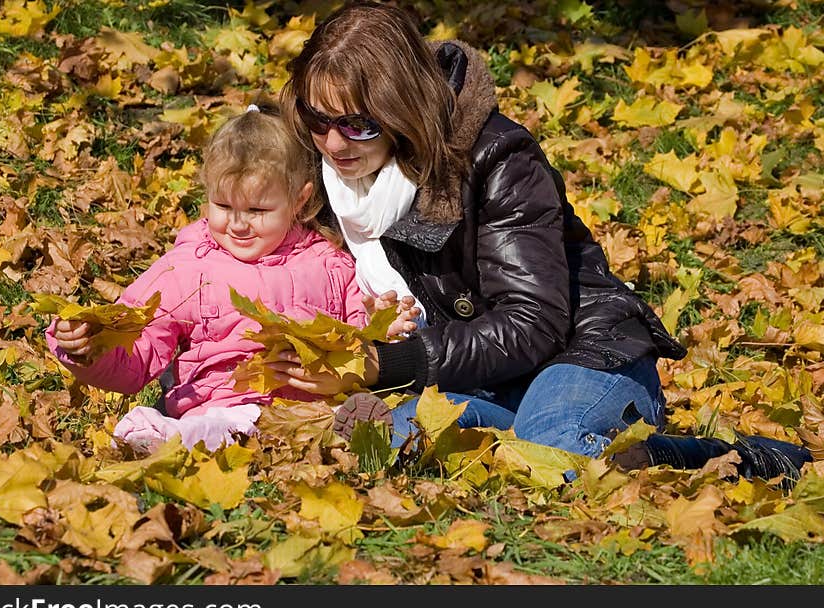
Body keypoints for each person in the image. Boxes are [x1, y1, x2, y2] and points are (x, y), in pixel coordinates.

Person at [268, 1, 812, 486]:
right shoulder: (324, 169)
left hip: (581, 352)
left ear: (402, 108)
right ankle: (519, 438)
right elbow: (237, 217)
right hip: (480, 377)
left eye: (359, 125)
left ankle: (728, 458)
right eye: (319, 120)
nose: (334, 143)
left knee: (556, 443)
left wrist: (384, 364)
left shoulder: (499, 159)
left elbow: (532, 324)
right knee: (388, 436)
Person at [46, 98, 414, 456]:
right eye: (223, 206)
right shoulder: (187, 268)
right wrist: (90, 348)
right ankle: (164, 436)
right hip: (224, 400)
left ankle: (358, 433)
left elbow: (355, 339)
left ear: (299, 200)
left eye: (257, 210)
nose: (237, 224)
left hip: (310, 405)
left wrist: (382, 323)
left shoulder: (328, 262)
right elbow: (139, 351)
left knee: (339, 418)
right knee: (223, 426)